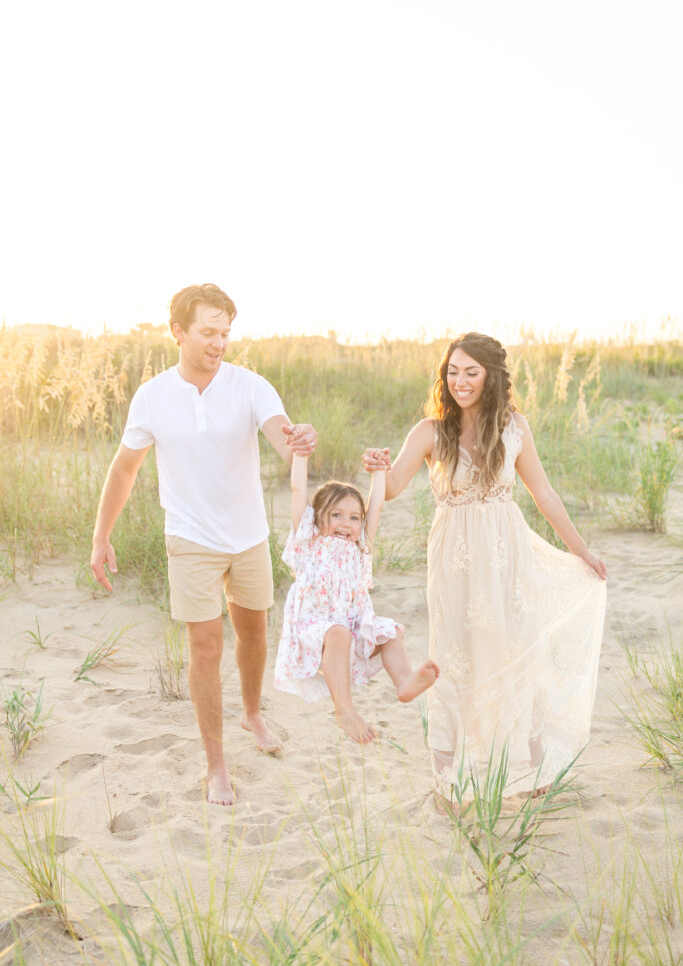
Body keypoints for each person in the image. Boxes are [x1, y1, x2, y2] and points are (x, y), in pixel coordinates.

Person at [90, 283, 317, 806]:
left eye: (226, 333)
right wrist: (101, 535)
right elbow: (124, 468)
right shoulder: (152, 397)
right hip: (190, 537)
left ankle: (253, 712)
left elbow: (282, 437)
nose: (220, 343)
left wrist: (298, 441)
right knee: (206, 646)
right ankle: (216, 764)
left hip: (247, 535)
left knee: (254, 633)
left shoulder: (250, 386)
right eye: (209, 333)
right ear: (178, 332)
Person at [363, 332, 607, 801]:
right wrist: (377, 468)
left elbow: (545, 494)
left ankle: (531, 770)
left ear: (491, 376)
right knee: (454, 655)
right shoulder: (430, 431)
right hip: (454, 562)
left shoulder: (514, 427)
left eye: (470, 372)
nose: (459, 381)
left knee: (518, 649)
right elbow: (391, 485)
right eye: (452, 372)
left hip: (507, 558)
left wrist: (582, 551)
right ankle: (448, 776)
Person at [274, 449, 439, 743]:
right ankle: (345, 710)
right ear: (316, 519)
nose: (346, 523)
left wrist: (379, 472)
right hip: (315, 632)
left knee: (389, 633)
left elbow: (375, 508)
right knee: (337, 633)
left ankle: (404, 682)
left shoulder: (360, 548)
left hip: (352, 630)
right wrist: (300, 455)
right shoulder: (309, 541)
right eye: (336, 515)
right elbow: (298, 489)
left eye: (353, 518)